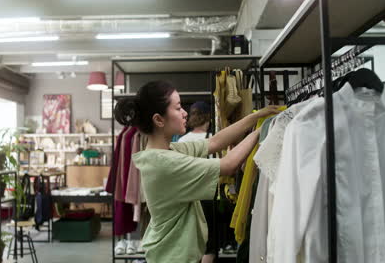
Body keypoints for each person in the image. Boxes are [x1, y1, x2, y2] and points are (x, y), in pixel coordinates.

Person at [115, 81, 280, 263]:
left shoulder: (170, 151)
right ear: (159, 120)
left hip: (173, 253)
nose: (185, 113)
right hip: (172, 257)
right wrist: (261, 131)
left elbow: (215, 142)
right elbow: (228, 165)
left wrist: (256, 118)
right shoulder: (165, 163)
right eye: (178, 108)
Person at [178, 101, 216, 263]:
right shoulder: (213, 139)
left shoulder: (181, 141)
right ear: (208, 118)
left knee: (192, 238)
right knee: (210, 242)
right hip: (208, 194)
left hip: (188, 195)